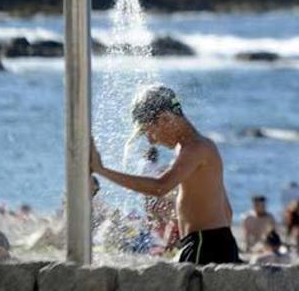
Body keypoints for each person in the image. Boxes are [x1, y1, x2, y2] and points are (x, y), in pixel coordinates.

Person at [90, 84, 239, 264]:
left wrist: (102, 170)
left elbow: (160, 186)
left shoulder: (195, 148)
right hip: (208, 241)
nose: (151, 140)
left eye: (149, 131)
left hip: (205, 243)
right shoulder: (192, 148)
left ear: (165, 118)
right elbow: (227, 210)